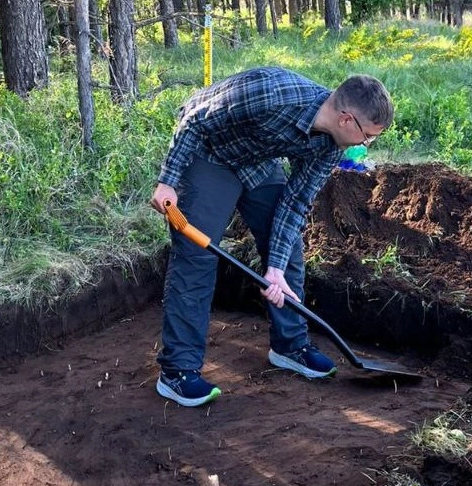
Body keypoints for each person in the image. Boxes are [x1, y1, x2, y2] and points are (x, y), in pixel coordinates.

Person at [150, 66, 393, 407]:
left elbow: (295, 202)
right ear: (346, 119)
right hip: (209, 153)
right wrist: (168, 180)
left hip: (255, 160)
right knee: (197, 256)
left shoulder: (331, 146)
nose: (367, 144)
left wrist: (275, 269)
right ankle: (177, 371)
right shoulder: (272, 93)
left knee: (287, 246)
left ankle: (290, 345)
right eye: (368, 135)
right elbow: (193, 120)